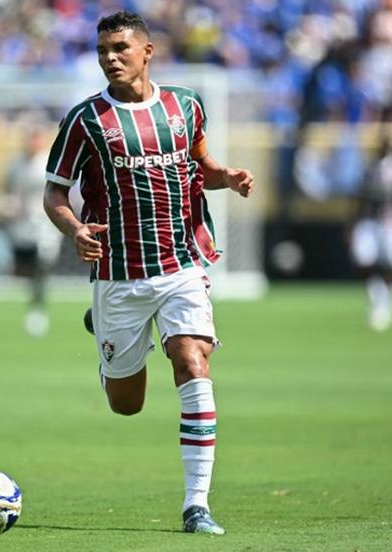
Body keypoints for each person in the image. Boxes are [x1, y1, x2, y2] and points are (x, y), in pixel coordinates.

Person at [42, 11, 254, 535]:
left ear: (146, 51)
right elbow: (54, 193)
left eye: (119, 48)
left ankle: (196, 505)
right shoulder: (86, 121)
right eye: (102, 51)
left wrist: (225, 176)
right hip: (119, 276)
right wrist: (74, 231)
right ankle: (106, 335)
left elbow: (201, 168)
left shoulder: (185, 106)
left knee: (191, 360)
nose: (110, 58)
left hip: (181, 264)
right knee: (127, 404)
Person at [348, 134, 392, 332]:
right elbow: (359, 199)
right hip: (369, 220)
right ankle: (378, 293)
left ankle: (389, 301)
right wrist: (352, 225)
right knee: (363, 260)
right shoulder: (370, 168)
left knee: (391, 264)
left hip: (391, 222)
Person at [1, 122, 64, 337]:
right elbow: (5, 188)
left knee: (43, 264)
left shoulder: (49, 161)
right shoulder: (15, 163)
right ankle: (27, 302)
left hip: (46, 223)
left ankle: (37, 308)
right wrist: (8, 203)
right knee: (22, 269)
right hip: (21, 223)